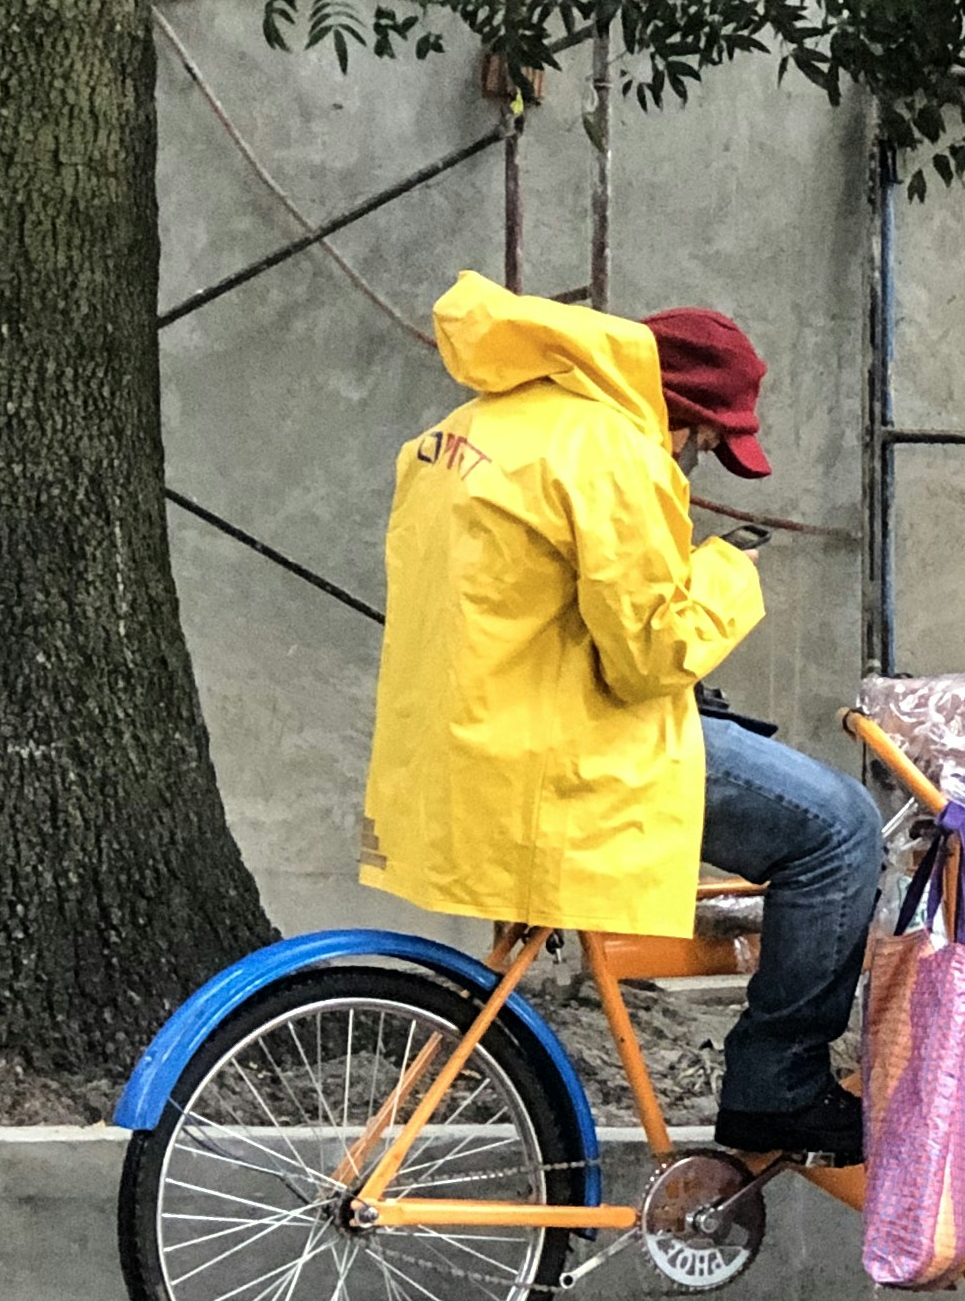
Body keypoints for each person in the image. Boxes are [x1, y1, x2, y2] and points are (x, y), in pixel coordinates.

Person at [362, 273, 882, 1164]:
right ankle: (778, 1086)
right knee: (840, 829)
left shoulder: (472, 426)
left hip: (465, 742)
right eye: (707, 444)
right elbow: (652, 655)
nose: (695, 461)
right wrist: (729, 573)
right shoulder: (613, 450)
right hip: (564, 757)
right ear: (678, 414)